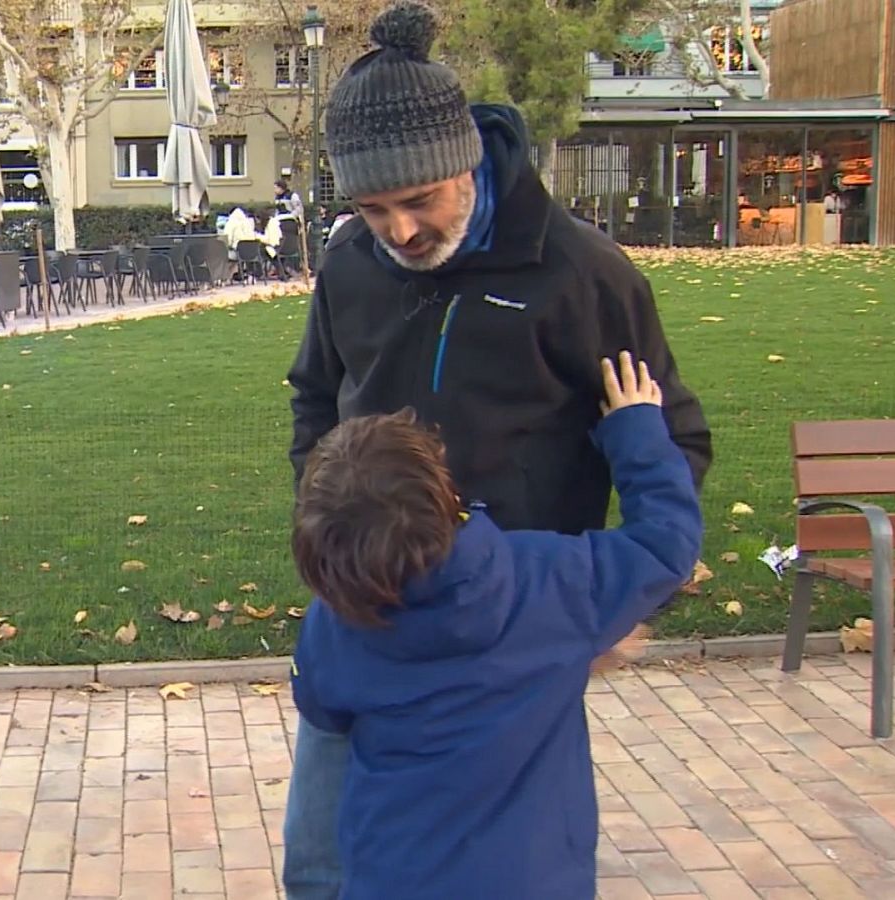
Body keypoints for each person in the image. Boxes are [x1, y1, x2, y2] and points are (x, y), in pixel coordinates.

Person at [280, 3, 713, 897]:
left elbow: (670, 434)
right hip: (374, 605)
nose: (397, 232)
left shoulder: (583, 275)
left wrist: (623, 606)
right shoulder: (351, 267)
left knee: (510, 853)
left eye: (417, 201)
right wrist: (332, 535)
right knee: (321, 863)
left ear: (466, 163)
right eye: (370, 208)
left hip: (517, 620)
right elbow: (316, 396)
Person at [289, 353, 702, 899]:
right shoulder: (551, 583)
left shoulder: (335, 624)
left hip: (391, 880)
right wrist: (636, 427)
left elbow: (325, 711)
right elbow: (666, 542)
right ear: (444, 490)